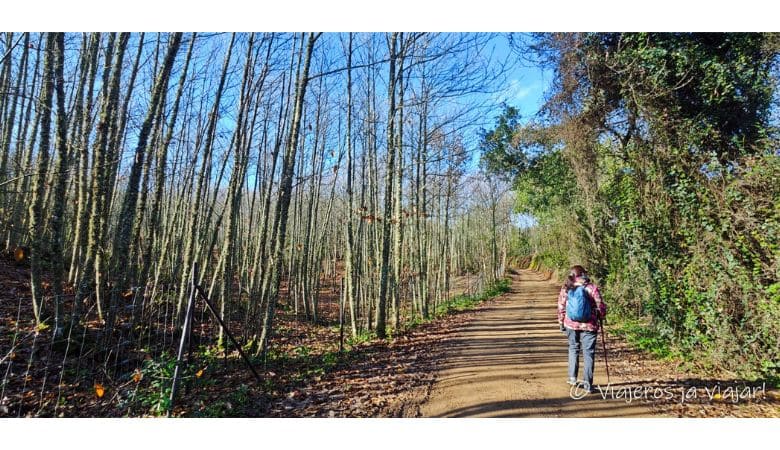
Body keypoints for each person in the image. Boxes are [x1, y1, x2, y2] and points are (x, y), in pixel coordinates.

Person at [557, 265, 606, 393]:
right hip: (589, 325)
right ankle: (588, 384)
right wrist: (600, 315)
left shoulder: (567, 288)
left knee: (573, 348)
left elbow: (561, 306)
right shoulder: (591, 288)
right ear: (583, 274)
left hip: (570, 324)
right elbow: (600, 305)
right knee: (588, 353)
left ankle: (572, 378)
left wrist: (561, 322)